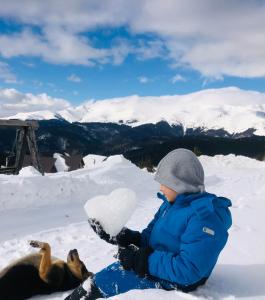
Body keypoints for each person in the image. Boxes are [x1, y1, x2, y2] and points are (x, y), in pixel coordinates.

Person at [65, 148, 232, 299]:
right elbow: (149, 238)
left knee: (98, 288)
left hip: (175, 281)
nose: (160, 188)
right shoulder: (170, 205)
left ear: (180, 185)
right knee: (95, 282)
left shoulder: (204, 217)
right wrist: (121, 235)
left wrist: (142, 260)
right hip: (156, 266)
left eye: (164, 183)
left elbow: (189, 270)